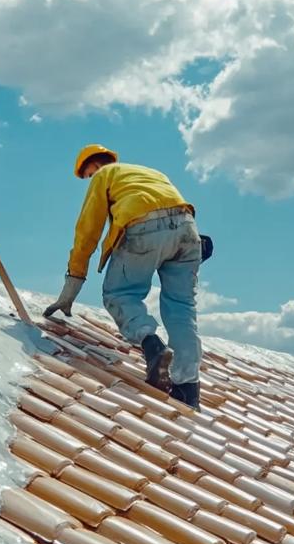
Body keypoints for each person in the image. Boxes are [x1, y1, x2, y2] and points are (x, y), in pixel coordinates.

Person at [43, 145, 203, 409]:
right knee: (182, 308)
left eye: (87, 176)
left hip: (144, 226)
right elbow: (173, 213)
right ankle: (188, 389)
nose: (89, 180)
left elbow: (87, 233)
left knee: (120, 294)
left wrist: (71, 288)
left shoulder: (105, 176)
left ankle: (152, 346)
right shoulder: (152, 173)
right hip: (188, 229)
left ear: (92, 168)